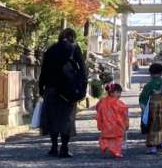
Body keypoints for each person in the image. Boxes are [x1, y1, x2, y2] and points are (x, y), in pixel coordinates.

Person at [38, 27, 87, 158]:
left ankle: (54, 147)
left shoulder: (50, 49)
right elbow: (82, 69)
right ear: (73, 37)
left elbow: (43, 71)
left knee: (53, 118)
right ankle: (64, 148)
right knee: (66, 119)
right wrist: (82, 88)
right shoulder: (74, 48)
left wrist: (41, 88)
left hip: (51, 88)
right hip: (68, 90)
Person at [96, 83, 129, 158]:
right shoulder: (118, 102)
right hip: (116, 125)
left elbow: (98, 109)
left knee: (105, 137)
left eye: (120, 93)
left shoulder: (102, 101)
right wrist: (126, 123)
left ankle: (105, 145)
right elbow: (124, 110)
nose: (119, 94)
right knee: (118, 139)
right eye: (117, 92)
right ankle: (116, 152)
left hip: (105, 124)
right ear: (111, 93)